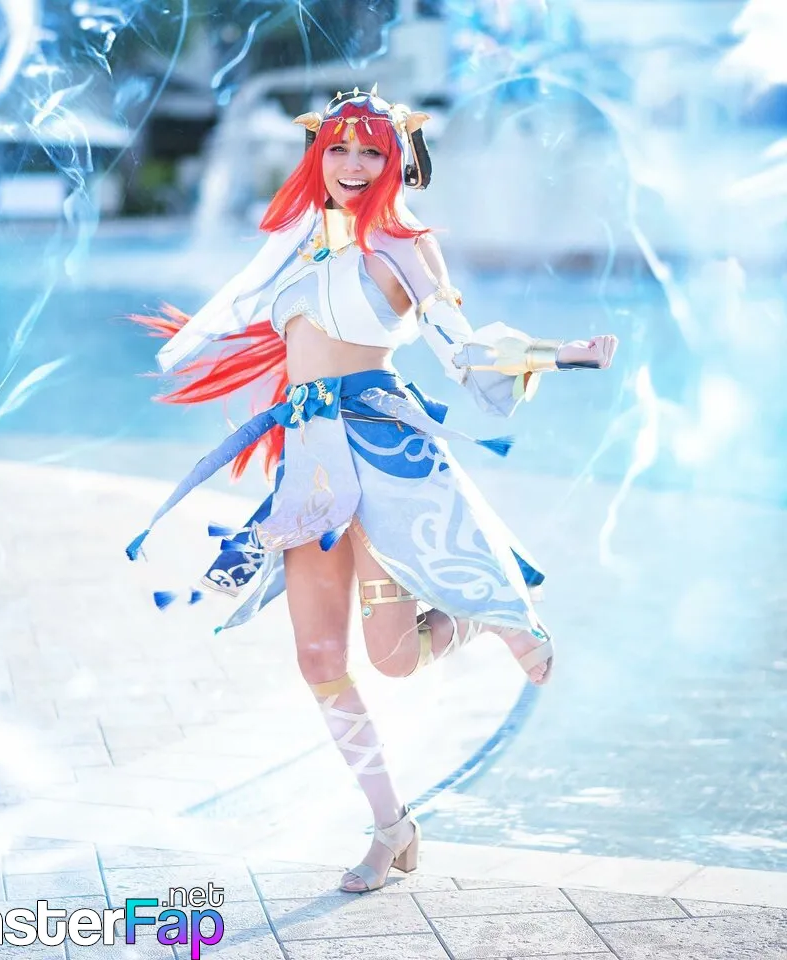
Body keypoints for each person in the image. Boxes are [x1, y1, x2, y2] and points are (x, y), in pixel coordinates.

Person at [127, 86, 618, 894]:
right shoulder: (293, 242)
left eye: (371, 151)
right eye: (340, 148)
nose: (353, 164)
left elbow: (461, 351)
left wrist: (557, 354)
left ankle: (486, 613)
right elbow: (259, 324)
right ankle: (392, 829)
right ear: (317, 153)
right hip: (310, 466)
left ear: (397, 160)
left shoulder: (404, 244)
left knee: (393, 659)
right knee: (320, 657)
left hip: (383, 455)